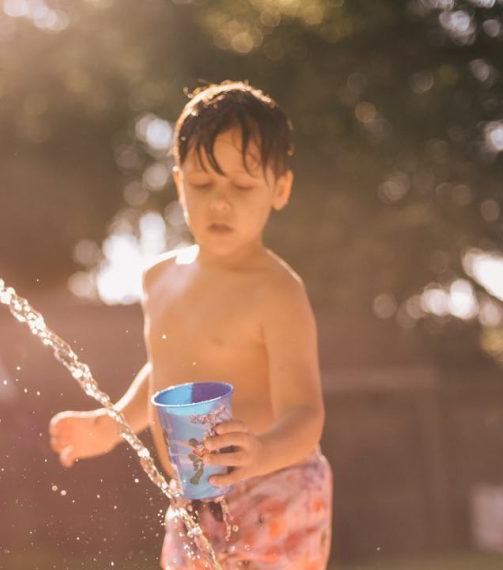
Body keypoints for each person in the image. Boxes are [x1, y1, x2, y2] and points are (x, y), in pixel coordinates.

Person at [50, 81, 332, 569]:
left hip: (276, 484)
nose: (220, 202)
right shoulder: (159, 279)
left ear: (279, 189)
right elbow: (164, 372)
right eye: (203, 183)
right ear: (179, 183)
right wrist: (111, 424)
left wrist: (260, 453)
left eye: (242, 186)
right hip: (195, 498)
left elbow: (307, 415)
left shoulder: (277, 292)